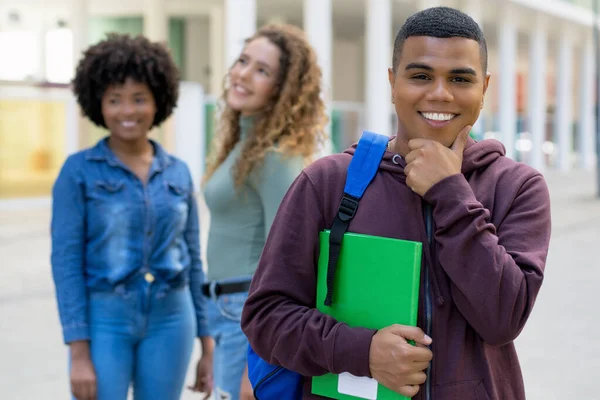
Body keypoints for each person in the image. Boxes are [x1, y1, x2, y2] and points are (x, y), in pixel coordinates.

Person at [241, 7, 551, 400]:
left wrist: (450, 193)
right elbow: (265, 317)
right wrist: (361, 351)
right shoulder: (326, 182)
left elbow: (503, 319)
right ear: (392, 82)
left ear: (485, 87)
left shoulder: (518, 188)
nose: (439, 93)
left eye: (460, 78)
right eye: (420, 76)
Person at [51, 33, 212, 400]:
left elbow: (193, 260)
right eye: (115, 100)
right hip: (105, 319)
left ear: (159, 100)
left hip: (172, 318)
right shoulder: (77, 173)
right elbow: (66, 263)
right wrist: (78, 352)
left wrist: (208, 342)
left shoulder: (178, 172)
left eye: (139, 98)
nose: (128, 111)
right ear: (98, 104)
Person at [187, 24, 327, 400]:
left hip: (245, 314)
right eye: (243, 61)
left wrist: (262, 358)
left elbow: (290, 261)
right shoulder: (244, 143)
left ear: (283, 90)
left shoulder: (277, 158)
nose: (243, 74)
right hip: (225, 308)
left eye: (262, 70)